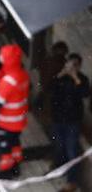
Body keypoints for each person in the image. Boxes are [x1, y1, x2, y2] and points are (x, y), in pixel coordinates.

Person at [0, 44, 31, 179]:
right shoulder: (23, 75)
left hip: (7, 121)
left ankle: (7, 170)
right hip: (19, 120)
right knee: (15, 143)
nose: (0, 58)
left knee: (4, 146)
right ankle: (16, 166)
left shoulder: (8, 81)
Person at [49, 53, 88, 190]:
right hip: (58, 118)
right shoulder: (60, 77)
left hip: (73, 121)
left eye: (75, 65)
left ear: (79, 66)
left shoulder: (82, 79)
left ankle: (71, 182)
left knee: (72, 150)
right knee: (59, 146)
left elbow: (85, 93)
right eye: (70, 64)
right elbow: (50, 88)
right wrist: (61, 74)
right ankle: (59, 168)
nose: (72, 67)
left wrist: (75, 77)